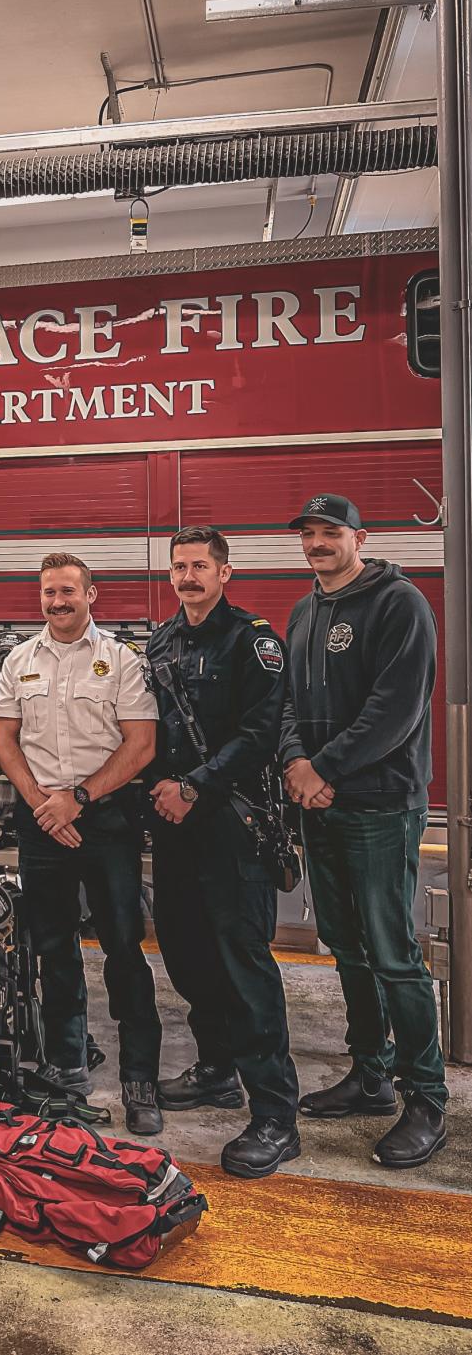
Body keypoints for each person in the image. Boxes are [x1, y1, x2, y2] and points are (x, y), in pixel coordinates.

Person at [281, 493, 446, 1168]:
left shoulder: (398, 604)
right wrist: (295, 762)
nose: (317, 542)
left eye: (330, 532)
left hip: (379, 803)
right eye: (309, 533)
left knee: (392, 951)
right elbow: (286, 698)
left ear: (359, 537)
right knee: (343, 944)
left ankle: (427, 1097)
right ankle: (370, 1073)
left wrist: (320, 767)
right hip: (317, 803)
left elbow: (394, 711)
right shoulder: (302, 610)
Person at [147, 527, 300, 1179]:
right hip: (173, 824)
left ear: (224, 572)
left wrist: (192, 785)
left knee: (244, 964)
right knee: (184, 950)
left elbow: (260, 732)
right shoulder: (160, 641)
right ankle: (215, 1070)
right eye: (178, 566)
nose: (187, 576)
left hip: (232, 823)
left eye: (199, 566)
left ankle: (274, 1114)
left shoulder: (252, 640)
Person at [0, 553, 163, 1134]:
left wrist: (79, 800)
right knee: (54, 948)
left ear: (92, 594)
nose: (57, 602)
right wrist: (45, 803)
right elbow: (4, 739)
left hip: (107, 820)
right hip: (42, 820)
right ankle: (67, 1067)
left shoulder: (120, 661)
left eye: (68, 591)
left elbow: (140, 745)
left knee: (123, 948)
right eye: (48, 593)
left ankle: (141, 1077)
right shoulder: (19, 660)